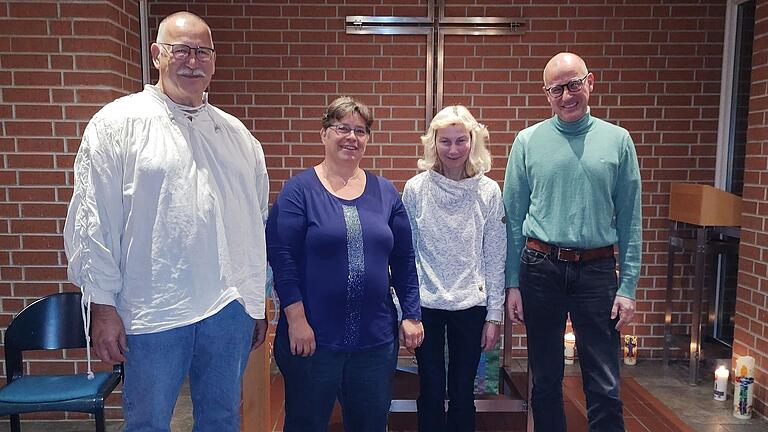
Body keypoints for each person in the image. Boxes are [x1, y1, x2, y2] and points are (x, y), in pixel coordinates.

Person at [63, 11, 269, 432]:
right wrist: (102, 305)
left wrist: (257, 299)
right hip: (152, 306)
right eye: (181, 50)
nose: (193, 61)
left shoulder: (237, 136)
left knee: (221, 418)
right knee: (149, 422)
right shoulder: (117, 124)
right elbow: (92, 221)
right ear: (157, 54)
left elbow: (256, 223)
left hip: (227, 307)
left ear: (213, 59)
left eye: (203, 51)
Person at [266, 96, 424, 432]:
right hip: (313, 339)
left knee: (370, 424)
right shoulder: (299, 191)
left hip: (375, 342)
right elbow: (282, 259)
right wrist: (295, 320)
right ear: (324, 133)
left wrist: (411, 314)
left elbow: (404, 259)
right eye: (342, 128)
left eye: (360, 130)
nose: (351, 137)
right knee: (305, 423)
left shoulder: (385, 192)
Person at [503, 52, 641, 432]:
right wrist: (511, 283)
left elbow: (631, 220)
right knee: (544, 380)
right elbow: (513, 220)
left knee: (605, 383)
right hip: (539, 270)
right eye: (557, 88)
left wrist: (627, 286)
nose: (567, 95)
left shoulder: (618, 140)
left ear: (590, 82)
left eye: (574, 84)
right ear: (546, 94)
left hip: (597, 273)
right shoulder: (527, 141)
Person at [402, 105, 506, 432]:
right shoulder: (416, 189)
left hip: (471, 306)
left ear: (473, 142)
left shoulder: (488, 191)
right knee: (430, 392)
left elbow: (495, 254)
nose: (453, 149)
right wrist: (407, 311)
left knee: (463, 394)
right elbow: (407, 254)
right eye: (444, 141)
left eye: (461, 140)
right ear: (432, 143)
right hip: (426, 306)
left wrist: (494, 315)